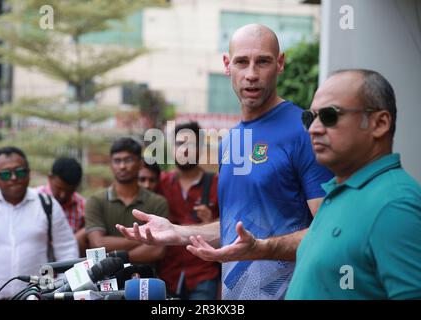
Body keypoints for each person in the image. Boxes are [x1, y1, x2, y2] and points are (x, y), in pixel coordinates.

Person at [116, 24, 333, 300]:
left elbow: (330, 231)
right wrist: (176, 232)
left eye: (263, 62)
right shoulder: (230, 141)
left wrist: (263, 248)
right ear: (227, 65)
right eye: (242, 62)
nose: (251, 74)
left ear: (280, 64)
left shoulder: (304, 131)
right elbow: (236, 231)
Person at [284, 69, 421, 299]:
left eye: (330, 116)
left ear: (379, 123)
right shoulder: (338, 191)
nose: (314, 129)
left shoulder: (396, 205)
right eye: (310, 118)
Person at [0, 147, 78, 299]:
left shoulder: (47, 205)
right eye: (5, 174)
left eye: (20, 171)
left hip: (36, 296)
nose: (14, 178)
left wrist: (58, 288)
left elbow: (67, 250)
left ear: (29, 173)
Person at [157, 122, 220, 300]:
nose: (184, 150)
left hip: (204, 274)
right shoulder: (160, 184)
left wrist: (211, 220)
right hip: (167, 274)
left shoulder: (217, 183)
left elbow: (231, 227)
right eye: (179, 144)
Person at [85, 138, 169, 264]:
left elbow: (157, 250)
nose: (122, 166)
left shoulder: (157, 202)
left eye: (128, 160)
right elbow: (97, 243)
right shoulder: (96, 201)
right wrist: (144, 239)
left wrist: (115, 260)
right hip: (106, 280)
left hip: (145, 279)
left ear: (140, 164)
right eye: (117, 161)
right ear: (111, 165)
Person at [38, 157, 88, 256]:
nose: (63, 195)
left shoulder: (82, 206)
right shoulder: (35, 200)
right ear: (50, 178)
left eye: (69, 191)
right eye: (59, 188)